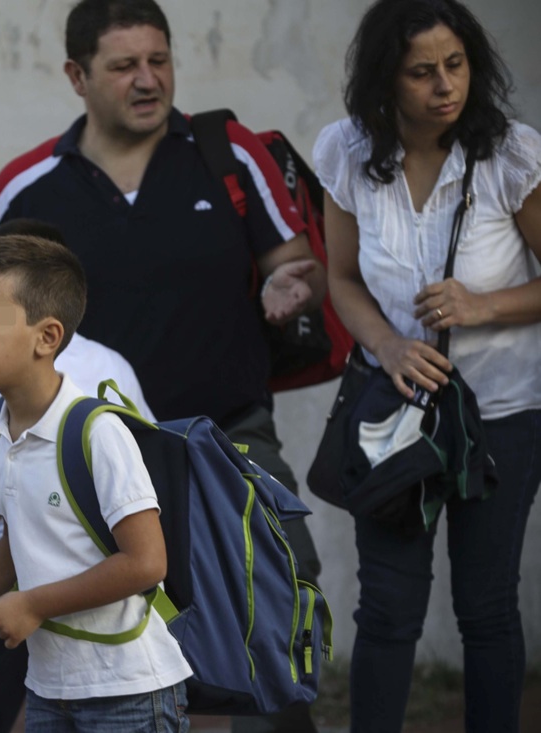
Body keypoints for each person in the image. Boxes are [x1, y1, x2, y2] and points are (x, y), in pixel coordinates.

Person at [0, 2, 325, 729]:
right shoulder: (27, 184)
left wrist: (289, 283)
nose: (147, 79)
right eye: (124, 66)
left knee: (267, 610)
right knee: (34, 619)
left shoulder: (226, 152)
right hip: (83, 453)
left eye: (158, 60)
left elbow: (294, 260)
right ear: (77, 76)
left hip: (224, 439)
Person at [313, 1, 541, 730]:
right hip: (396, 410)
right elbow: (341, 276)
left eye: (456, 64)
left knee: (487, 606)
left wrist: (483, 305)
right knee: (387, 607)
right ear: (385, 78)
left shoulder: (511, 154)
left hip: (503, 409)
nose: (445, 85)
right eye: (422, 72)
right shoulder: (346, 151)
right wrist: (386, 344)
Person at [0, 234, 192, 732]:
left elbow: (147, 562)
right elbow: (23, 532)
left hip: (128, 691)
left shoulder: (97, 432)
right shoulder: (1, 425)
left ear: (47, 337)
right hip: (48, 689)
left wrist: (32, 603)